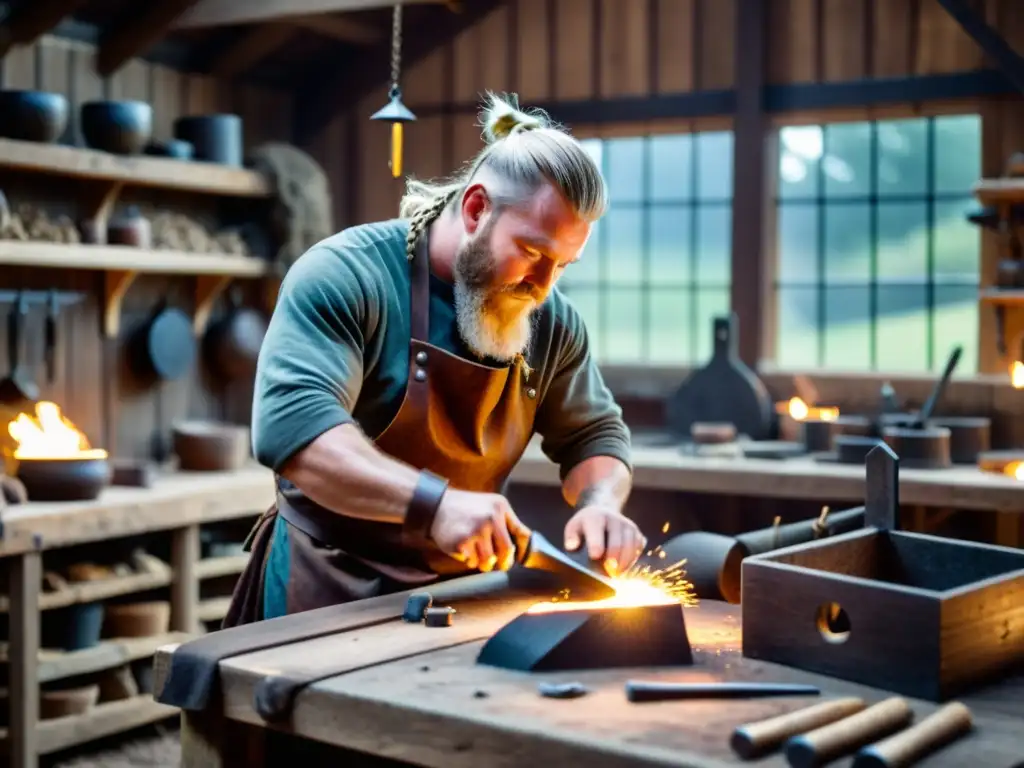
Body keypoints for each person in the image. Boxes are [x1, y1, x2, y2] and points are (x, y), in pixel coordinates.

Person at [223, 92, 644, 626]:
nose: (542, 286)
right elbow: (295, 433)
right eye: (533, 253)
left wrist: (600, 502)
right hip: (324, 589)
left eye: (562, 265)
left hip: (458, 598)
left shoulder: (552, 321)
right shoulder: (348, 276)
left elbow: (596, 434)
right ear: (475, 209)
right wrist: (436, 506)